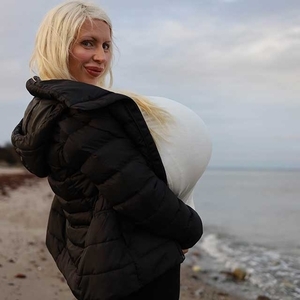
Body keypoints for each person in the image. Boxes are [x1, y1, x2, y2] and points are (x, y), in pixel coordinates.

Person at [11, 1, 212, 300]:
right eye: (87, 43)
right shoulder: (79, 118)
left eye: (106, 45)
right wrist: (190, 230)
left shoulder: (49, 109)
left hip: (103, 257)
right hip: (132, 268)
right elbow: (139, 193)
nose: (100, 56)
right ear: (57, 45)